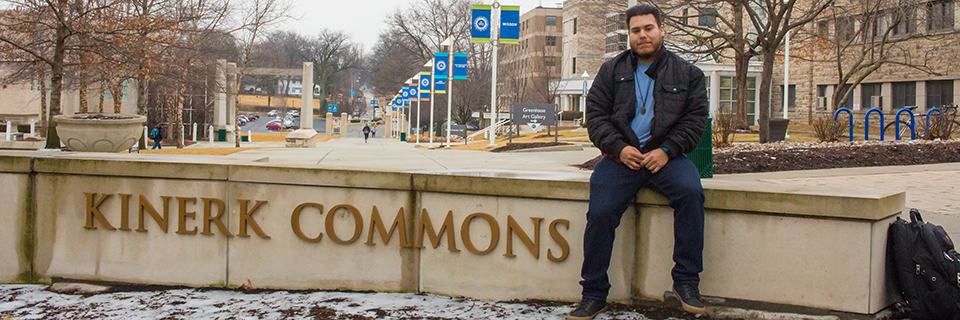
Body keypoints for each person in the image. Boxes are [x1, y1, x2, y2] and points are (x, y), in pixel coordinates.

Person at [567, 4, 708, 320]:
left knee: (691, 194)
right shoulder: (610, 71)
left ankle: (686, 282)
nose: (643, 35)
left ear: (661, 30)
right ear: (628, 34)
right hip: (621, 158)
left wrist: (668, 150)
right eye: (636, 30)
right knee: (600, 212)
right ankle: (593, 293)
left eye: (648, 28)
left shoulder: (688, 74)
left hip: (666, 157)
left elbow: (695, 121)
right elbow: (597, 118)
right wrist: (618, 149)